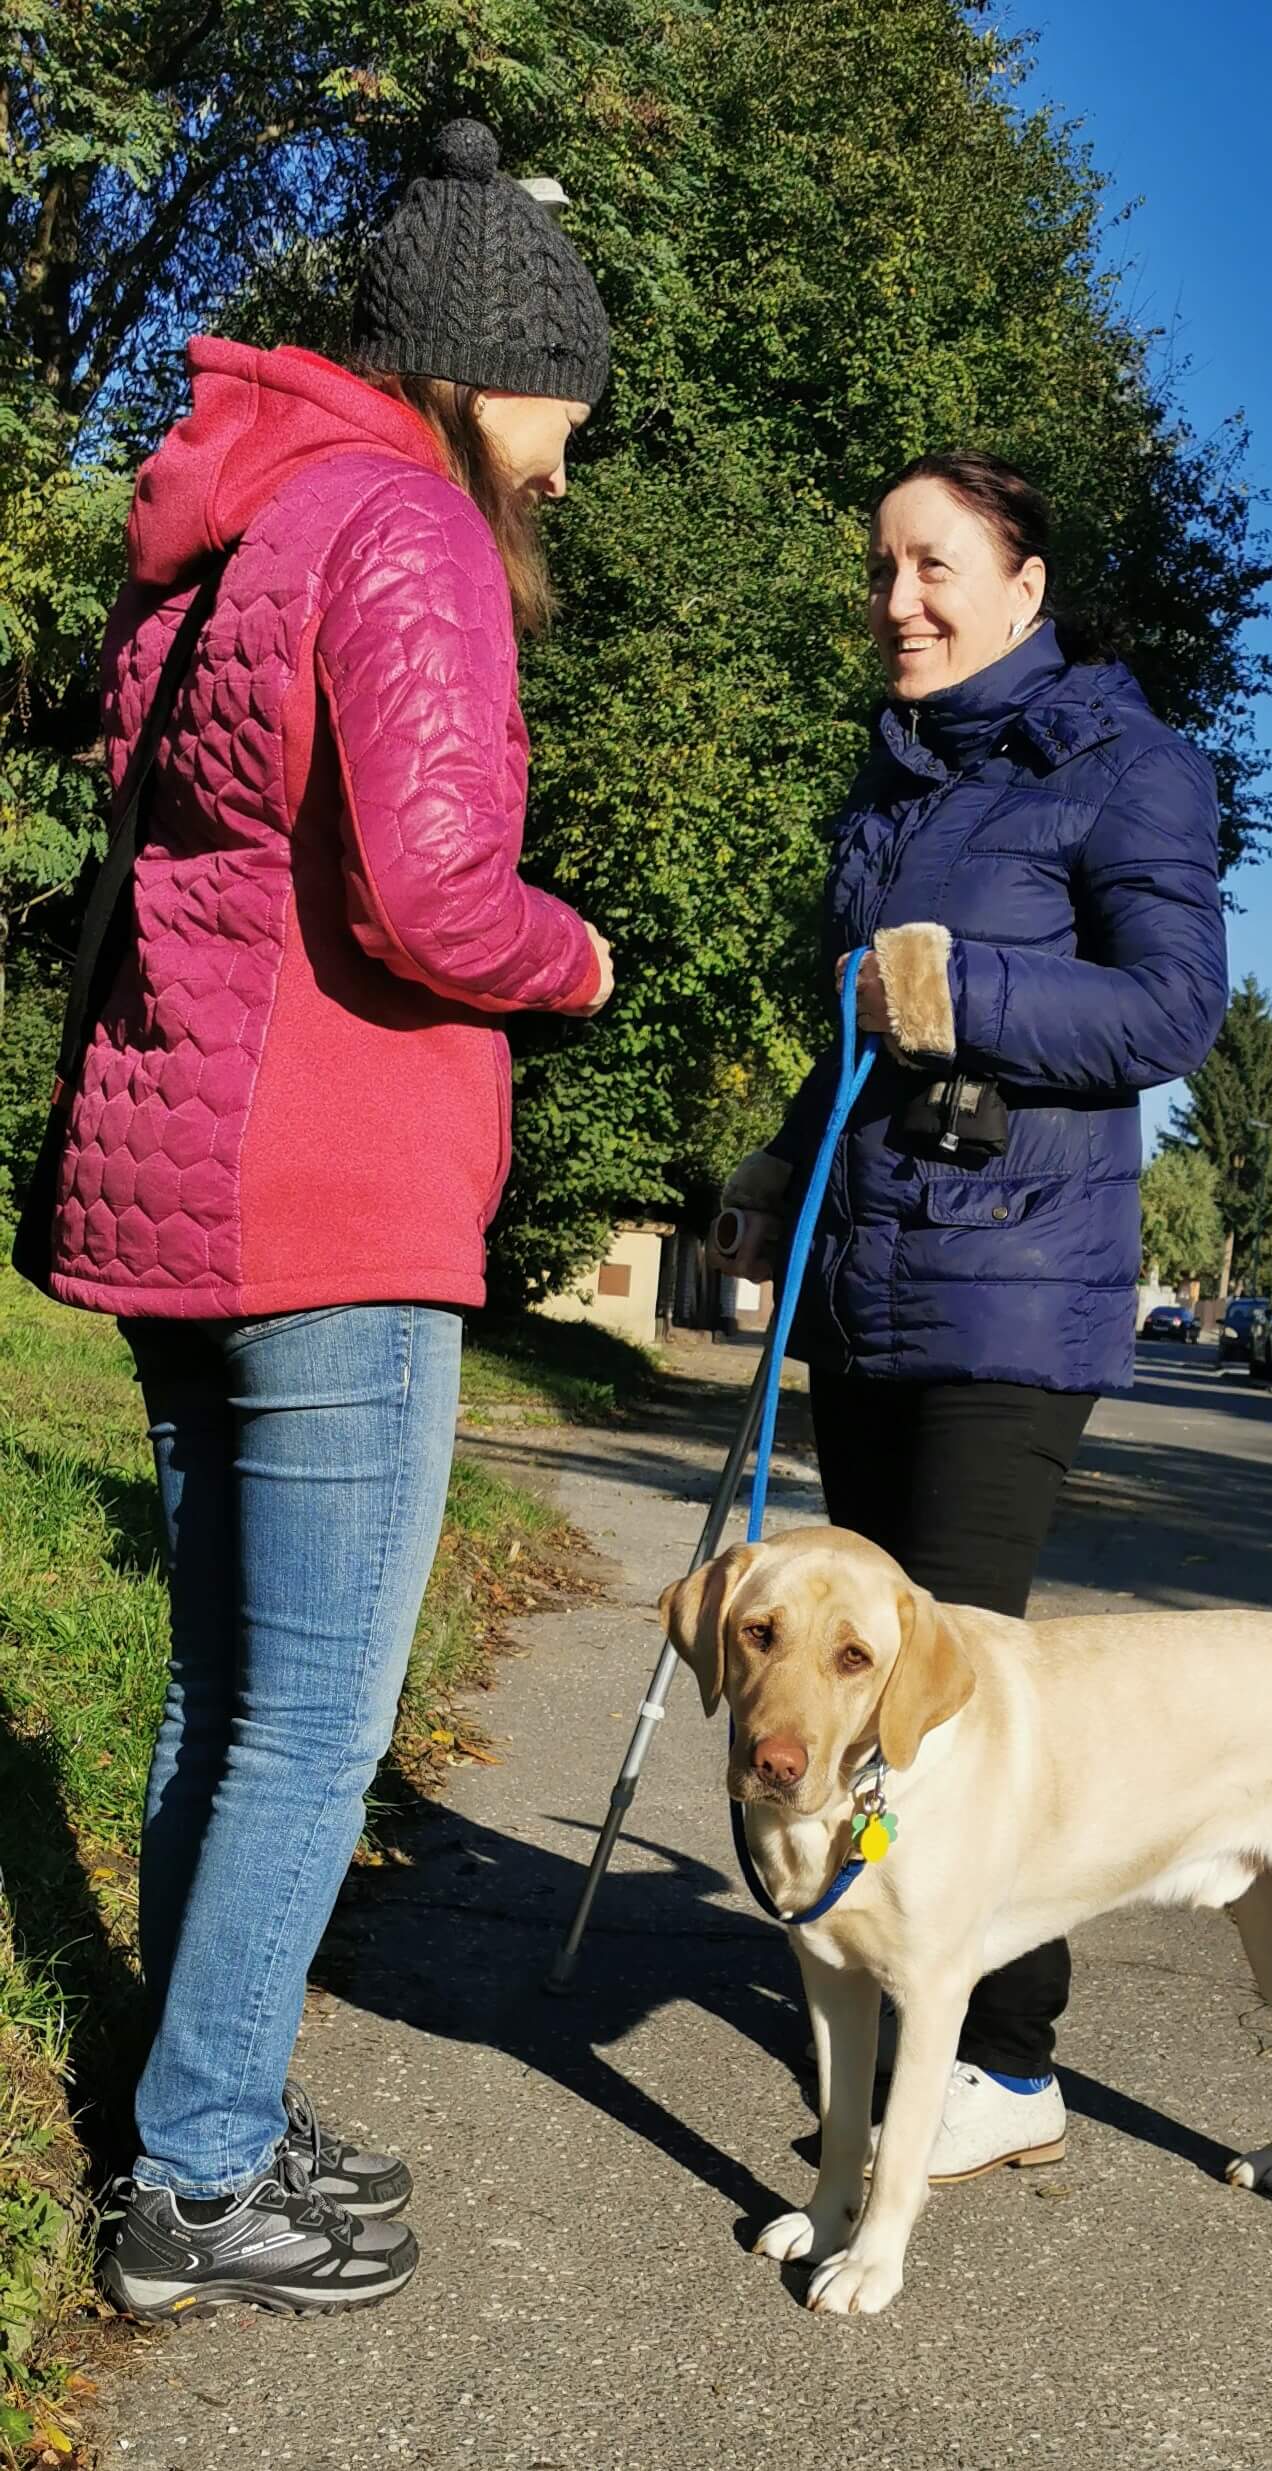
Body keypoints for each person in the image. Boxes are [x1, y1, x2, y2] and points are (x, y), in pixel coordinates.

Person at [44, 119, 614, 2317]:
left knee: (224, 1695)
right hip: (331, 1200)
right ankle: (191, 2182)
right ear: (488, 365)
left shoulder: (238, 517)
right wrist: (576, 958)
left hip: (179, 1178)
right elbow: (436, 897)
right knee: (312, 1727)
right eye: (565, 397)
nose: (567, 456)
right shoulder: (410, 530)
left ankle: (211, 2094)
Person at [716, 450, 1229, 2180]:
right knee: (839, 1672)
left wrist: (966, 989)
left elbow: (1170, 1012)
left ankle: (1006, 2061)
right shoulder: (901, 780)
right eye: (880, 570)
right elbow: (866, 1032)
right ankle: (887, 1971)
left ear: (1023, 587)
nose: (897, 602)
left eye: (932, 568)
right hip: (872, 1282)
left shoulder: (1124, 769)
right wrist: (783, 1164)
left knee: (955, 1694)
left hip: (1012, 1295)